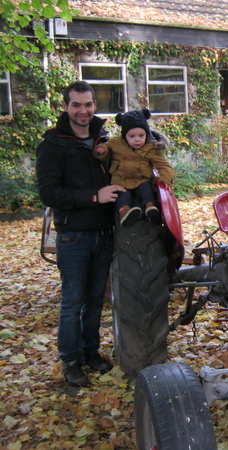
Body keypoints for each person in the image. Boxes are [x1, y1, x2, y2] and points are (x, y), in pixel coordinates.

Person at [36, 81, 126, 387]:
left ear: (94, 106)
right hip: (73, 235)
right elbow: (48, 193)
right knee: (73, 301)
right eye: (76, 105)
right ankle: (70, 360)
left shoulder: (105, 139)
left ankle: (90, 353)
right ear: (65, 107)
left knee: (94, 301)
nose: (83, 111)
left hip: (105, 233)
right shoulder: (54, 143)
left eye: (88, 104)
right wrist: (93, 197)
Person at [94, 108, 174, 226]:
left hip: (141, 179)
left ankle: (150, 207)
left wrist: (166, 178)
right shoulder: (116, 143)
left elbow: (163, 165)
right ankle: (124, 212)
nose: (137, 139)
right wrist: (101, 150)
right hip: (121, 180)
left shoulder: (150, 147)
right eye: (132, 136)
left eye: (141, 135)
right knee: (122, 196)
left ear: (146, 134)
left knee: (146, 189)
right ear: (124, 136)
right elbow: (106, 148)